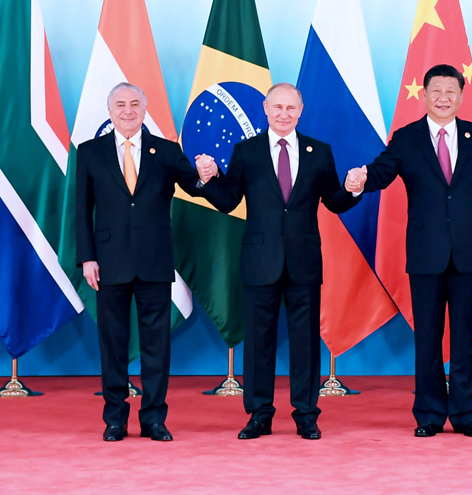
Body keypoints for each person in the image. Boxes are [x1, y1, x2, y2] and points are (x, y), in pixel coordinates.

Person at [344, 64, 472, 438]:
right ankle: (428, 415)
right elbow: (381, 173)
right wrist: (360, 180)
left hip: (470, 255)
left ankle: (465, 415)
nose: (443, 98)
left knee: (465, 339)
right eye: (436, 91)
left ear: (460, 96)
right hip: (425, 255)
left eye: (450, 92)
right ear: (425, 95)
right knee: (427, 338)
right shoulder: (406, 138)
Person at [200, 82, 359, 440]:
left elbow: (334, 200)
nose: (284, 114)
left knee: (306, 343)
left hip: (304, 260)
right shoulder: (246, 151)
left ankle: (306, 415)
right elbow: (228, 200)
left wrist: (352, 188)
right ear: (266, 109)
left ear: (300, 111)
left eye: (291, 108)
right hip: (260, 260)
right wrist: (209, 180)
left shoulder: (319, 151)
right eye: (277, 107)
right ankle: (259, 415)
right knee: (258, 341)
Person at [76, 82, 217, 442]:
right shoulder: (90, 151)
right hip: (108, 263)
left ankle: (154, 419)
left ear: (143, 109)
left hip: (155, 260)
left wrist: (206, 175)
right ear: (110, 111)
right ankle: (114, 419)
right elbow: (81, 209)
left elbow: (193, 185)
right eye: (120, 104)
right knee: (112, 344)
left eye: (135, 104)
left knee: (157, 345)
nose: (128, 110)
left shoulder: (166, 151)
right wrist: (87, 257)